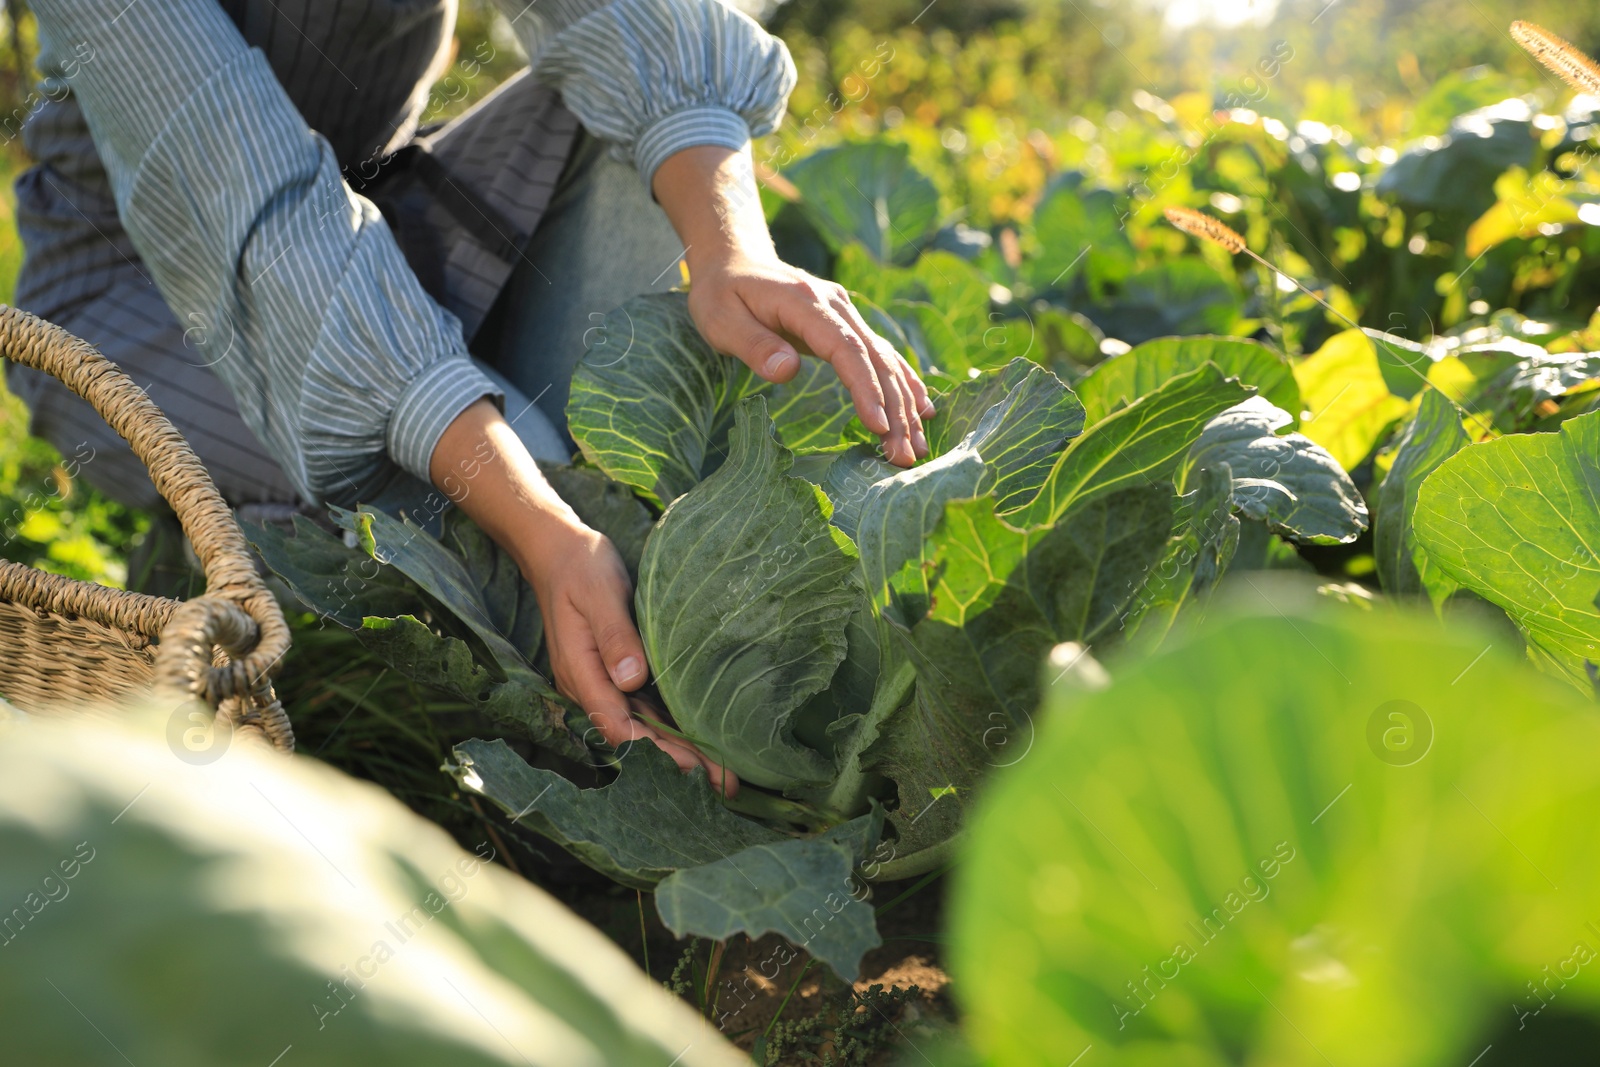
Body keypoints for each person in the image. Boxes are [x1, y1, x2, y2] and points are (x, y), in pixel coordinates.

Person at [8, 0, 934, 791]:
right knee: (493, 521)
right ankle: (255, 539)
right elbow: (261, 218)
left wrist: (731, 248)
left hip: (381, 198)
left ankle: (503, 442)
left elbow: (625, 19)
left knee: (641, 149)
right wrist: (540, 524)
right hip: (146, 291)